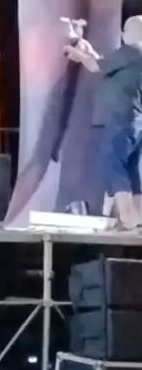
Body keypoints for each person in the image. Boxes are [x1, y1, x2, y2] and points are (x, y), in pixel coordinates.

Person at [65, 16, 142, 229]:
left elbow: (95, 66)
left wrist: (76, 54)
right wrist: (86, 48)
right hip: (135, 122)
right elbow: (104, 64)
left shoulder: (131, 50)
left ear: (128, 33)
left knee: (113, 164)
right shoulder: (134, 56)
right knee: (131, 169)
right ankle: (137, 217)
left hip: (120, 119)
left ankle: (127, 216)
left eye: (124, 31)